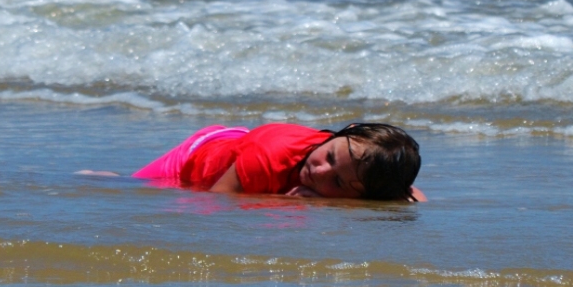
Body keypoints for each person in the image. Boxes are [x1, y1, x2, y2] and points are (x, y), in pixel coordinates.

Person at [127, 122, 425, 202]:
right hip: (196, 157)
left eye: (336, 181)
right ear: (345, 130)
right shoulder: (269, 156)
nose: (319, 171)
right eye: (329, 156)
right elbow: (217, 204)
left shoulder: (363, 170)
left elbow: (414, 198)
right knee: (127, 187)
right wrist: (294, 203)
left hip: (239, 151)